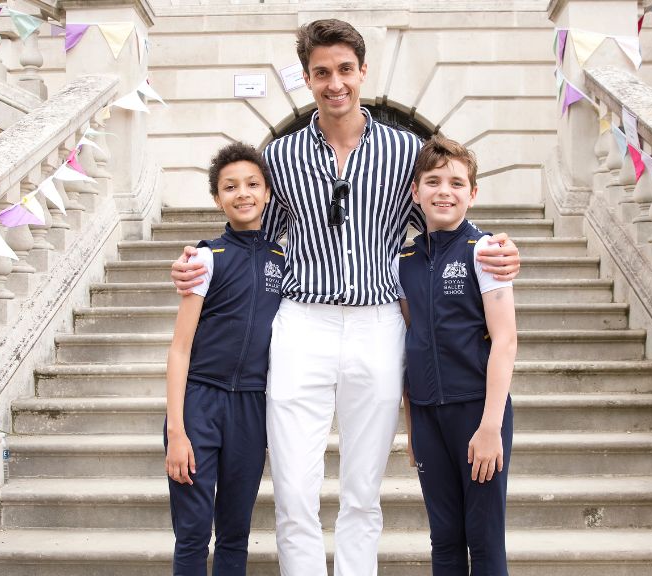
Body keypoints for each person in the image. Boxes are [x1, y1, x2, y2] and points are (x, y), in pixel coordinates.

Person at [171, 19, 521, 575]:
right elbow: (253, 231)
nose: (335, 83)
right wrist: (197, 261)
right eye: (321, 72)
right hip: (301, 322)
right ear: (307, 79)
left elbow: (442, 213)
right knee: (293, 488)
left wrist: (498, 248)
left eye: (344, 70)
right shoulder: (281, 156)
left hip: (378, 323)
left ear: (362, 71)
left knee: (362, 491)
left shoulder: (406, 151)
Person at [394, 136, 517, 575]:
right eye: (432, 181)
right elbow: (412, 341)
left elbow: (505, 341)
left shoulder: (486, 252)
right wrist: (412, 425)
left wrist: (490, 426)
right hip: (428, 417)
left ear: (473, 193)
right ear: (415, 192)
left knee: (484, 541)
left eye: (456, 182)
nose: (444, 190)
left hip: (476, 413)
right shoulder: (403, 259)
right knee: (444, 539)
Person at [163, 142, 285, 576]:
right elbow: (179, 348)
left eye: (253, 184)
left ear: (268, 193)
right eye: (230, 186)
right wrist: (177, 431)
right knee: (193, 533)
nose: (243, 193)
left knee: (235, 532)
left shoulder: (285, 261)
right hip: (200, 403)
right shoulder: (204, 257)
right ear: (218, 198)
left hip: (252, 408)